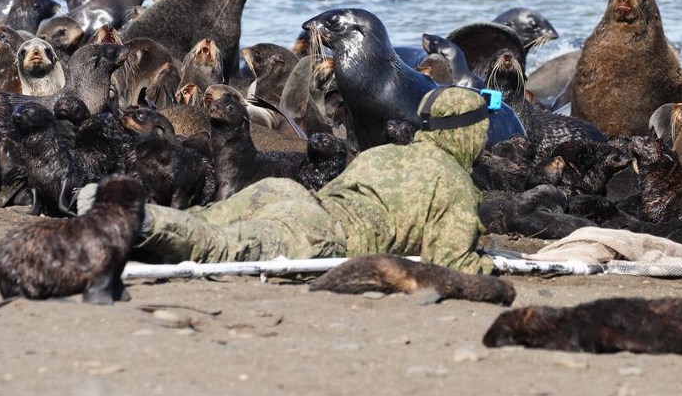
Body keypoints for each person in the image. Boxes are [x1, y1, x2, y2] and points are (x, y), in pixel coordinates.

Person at [131, 86, 495, 272]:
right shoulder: (455, 183)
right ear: (469, 135)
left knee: (200, 219)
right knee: (218, 245)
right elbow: (450, 261)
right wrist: (488, 263)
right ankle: (127, 222)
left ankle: (120, 212)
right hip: (317, 234)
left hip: (289, 196)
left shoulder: (386, 153)